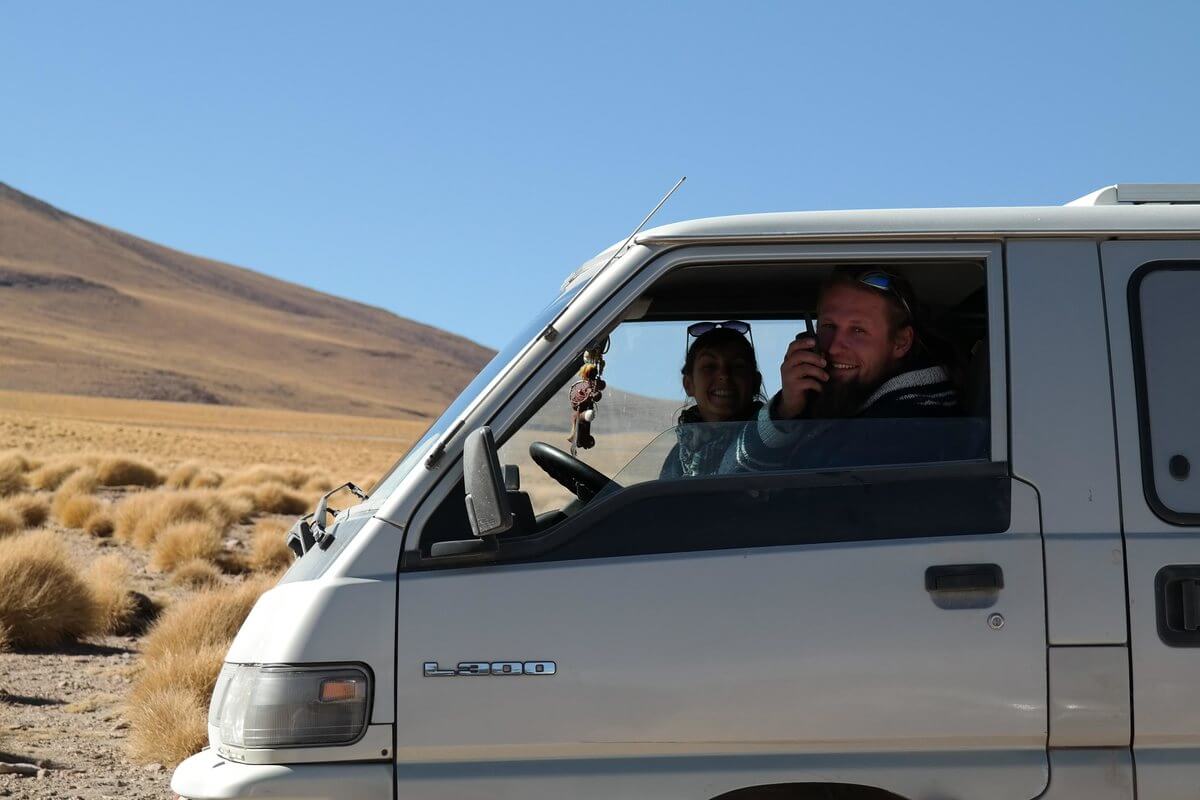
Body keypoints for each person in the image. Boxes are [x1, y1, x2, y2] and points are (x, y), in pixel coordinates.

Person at [728, 267, 979, 473]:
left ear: (901, 342)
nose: (835, 346)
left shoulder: (906, 429)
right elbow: (730, 476)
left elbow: (742, 494)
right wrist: (784, 411)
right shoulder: (848, 402)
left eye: (858, 330)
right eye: (828, 326)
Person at [659, 322, 765, 478]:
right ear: (689, 384)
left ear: (755, 383)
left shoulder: (770, 438)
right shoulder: (678, 456)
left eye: (737, 366)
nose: (724, 375)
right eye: (709, 366)